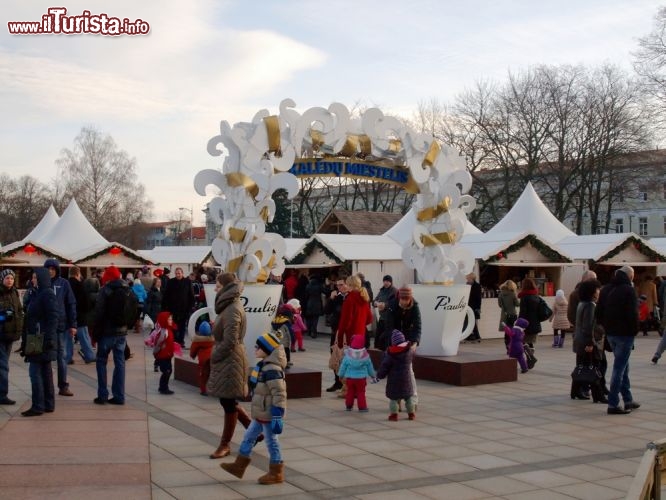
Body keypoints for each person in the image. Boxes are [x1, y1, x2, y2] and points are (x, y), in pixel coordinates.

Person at [220, 331, 287, 485]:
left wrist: (277, 412)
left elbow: (279, 392)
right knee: (249, 437)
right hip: (260, 413)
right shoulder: (262, 366)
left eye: (259, 346)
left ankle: (276, 472)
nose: (255, 348)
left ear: (267, 350)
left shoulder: (272, 369)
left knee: (272, 442)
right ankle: (239, 466)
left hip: (269, 413)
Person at [208, 273, 258, 459]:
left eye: (218, 286)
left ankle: (225, 444)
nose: (215, 289)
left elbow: (230, 340)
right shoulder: (228, 306)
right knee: (227, 401)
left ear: (226, 288)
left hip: (231, 360)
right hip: (228, 358)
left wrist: (214, 355)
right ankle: (254, 432)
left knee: (228, 402)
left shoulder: (232, 309)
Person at [596, 265, 641, 415]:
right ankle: (613, 404)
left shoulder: (606, 289)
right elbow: (633, 313)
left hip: (611, 333)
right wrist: (634, 331)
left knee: (623, 365)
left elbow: (599, 312)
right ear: (630, 276)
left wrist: (607, 327)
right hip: (625, 334)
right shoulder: (629, 290)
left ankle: (628, 400)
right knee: (619, 369)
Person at [19, 269, 56, 416]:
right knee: (45, 372)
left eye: (35, 278)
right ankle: (47, 404)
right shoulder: (38, 293)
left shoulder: (46, 294)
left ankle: (38, 405)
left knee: (35, 372)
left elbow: (53, 317)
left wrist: (48, 338)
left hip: (40, 339)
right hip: (38, 337)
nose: (33, 280)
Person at [93, 265, 131, 405]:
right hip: (122, 332)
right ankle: (119, 396)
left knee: (101, 361)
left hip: (107, 332)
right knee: (120, 363)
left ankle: (102, 395)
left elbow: (99, 312)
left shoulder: (105, 290)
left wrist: (95, 334)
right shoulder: (127, 289)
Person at [43, 259, 77, 397]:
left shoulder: (64, 284)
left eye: (53, 269)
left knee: (61, 356)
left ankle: (63, 385)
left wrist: (73, 324)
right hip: (44, 325)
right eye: (48, 269)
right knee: (44, 357)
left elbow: (71, 303)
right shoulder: (41, 283)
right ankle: (46, 386)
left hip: (60, 325)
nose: (51, 271)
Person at [386, 285, 421, 408]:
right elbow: (389, 327)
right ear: (399, 298)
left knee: (409, 371)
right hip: (394, 342)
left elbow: (417, 327)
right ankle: (397, 399)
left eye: (407, 300)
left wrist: (414, 342)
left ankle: (414, 399)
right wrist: (394, 343)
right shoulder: (392, 305)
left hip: (407, 342)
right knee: (394, 372)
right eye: (403, 300)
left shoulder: (414, 307)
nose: (405, 302)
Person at [571, 279, 606, 403]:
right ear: (592, 291)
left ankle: (575, 391)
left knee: (581, 366)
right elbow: (588, 327)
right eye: (597, 289)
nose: (599, 291)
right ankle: (598, 395)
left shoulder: (582, 303)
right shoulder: (591, 305)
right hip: (587, 340)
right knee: (594, 368)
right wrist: (591, 343)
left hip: (579, 339)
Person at [375, 329, 416, 421]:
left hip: (394, 381)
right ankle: (411, 414)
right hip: (406, 380)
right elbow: (413, 353)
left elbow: (384, 367)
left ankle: (394, 415)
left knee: (393, 398)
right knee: (408, 397)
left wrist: (379, 375)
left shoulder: (390, 354)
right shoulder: (409, 351)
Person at [0, 269, 24, 405]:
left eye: (12, 278)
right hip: (1, 334)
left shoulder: (14, 292)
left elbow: (19, 310)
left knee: (3, 364)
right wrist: (3, 316)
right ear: (2, 279)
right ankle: (2, 394)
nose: (10, 280)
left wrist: (20, 320)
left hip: (11, 335)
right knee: (3, 366)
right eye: (7, 278)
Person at [337, 335, 376, 412]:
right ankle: (362, 407)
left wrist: (340, 375)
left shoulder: (348, 355)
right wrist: (373, 375)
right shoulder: (366, 356)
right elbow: (370, 367)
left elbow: (343, 366)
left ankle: (348, 406)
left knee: (350, 392)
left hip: (350, 378)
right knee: (361, 392)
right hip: (361, 379)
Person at [324, 277, 347, 392]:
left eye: (342, 284)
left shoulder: (350, 297)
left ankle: (346, 384)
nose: (339, 287)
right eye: (338, 285)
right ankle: (337, 381)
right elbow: (327, 311)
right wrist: (330, 299)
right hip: (335, 331)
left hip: (347, 333)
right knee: (334, 355)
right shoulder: (336, 297)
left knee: (345, 357)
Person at [68, 266, 96, 363]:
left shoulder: (66, 284)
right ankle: (89, 355)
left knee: (68, 338)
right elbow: (86, 303)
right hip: (80, 316)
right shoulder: (80, 285)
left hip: (68, 316)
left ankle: (68, 357)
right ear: (77, 274)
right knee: (84, 337)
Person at [163, 267, 194, 347]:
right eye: (176, 273)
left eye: (179, 273)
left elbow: (191, 296)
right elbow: (166, 295)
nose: (177, 275)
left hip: (184, 309)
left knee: (182, 326)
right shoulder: (171, 282)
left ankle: (181, 341)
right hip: (172, 309)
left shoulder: (188, 282)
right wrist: (165, 308)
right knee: (173, 326)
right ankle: (174, 340)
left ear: (182, 273)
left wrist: (190, 308)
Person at [153, 311, 176, 395]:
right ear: (164, 320)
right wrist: (156, 353)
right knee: (166, 371)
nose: (171, 321)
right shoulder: (163, 332)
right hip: (163, 356)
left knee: (168, 371)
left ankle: (164, 387)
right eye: (169, 319)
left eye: (171, 319)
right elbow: (158, 343)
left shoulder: (168, 330)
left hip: (167, 355)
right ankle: (163, 388)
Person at [373, 275, 398, 350]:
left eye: (387, 281)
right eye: (384, 281)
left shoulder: (395, 291)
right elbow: (374, 301)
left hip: (390, 319)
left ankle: (387, 353)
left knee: (387, 339)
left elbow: (395, 303)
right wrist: (377, 304)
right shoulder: (381, 290)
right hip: (382, 318)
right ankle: (379, 352)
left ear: (391, 282)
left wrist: (385, 305)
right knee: (378, 338)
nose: (386, 283)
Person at [190, 321, 214, 395]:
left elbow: (193, 351)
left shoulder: (197, 341)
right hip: (213, 358)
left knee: (203, 375)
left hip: (203, 360)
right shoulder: (213, 340)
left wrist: (192, 355)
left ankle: (203, 390)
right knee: (213, 374)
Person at [518, 277, 543, 347]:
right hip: (535, 324)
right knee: (529, 343)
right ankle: (530, 356)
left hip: (526, 325)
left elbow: (522, 313)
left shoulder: (524, 298)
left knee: (524, 343)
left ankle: (528, 357)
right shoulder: (536, 296)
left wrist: (518, 324)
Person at [304, 274, 324, 339]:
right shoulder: (319, 286)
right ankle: (313, 333)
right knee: (315, 319)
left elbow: (306, 296)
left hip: (309, 303)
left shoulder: (308, 286)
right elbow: (326, 292)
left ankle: (309, 331)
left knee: (309, 318)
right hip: (317, 303)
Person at [463, 272, 482, 343]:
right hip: (467, 306)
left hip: (474, 307)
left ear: (472, 278)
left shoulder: (477, 286)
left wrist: (478, 307)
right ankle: (470, 336)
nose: (467, 280)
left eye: (468, 278)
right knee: (467, 322)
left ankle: (476, 337)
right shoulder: (467, 285)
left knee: (472, 322)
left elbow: (478, 298)